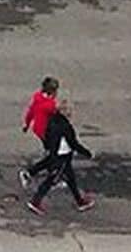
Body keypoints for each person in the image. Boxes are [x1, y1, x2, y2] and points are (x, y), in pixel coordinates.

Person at [23, 79, 93, 212]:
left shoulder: (53, 121)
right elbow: (73, 143)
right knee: (52, 179)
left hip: (60, 154)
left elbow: (32, 112)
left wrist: (27, 124)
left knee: (70, 178)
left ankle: (80, 201)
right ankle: (35, 201)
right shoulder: (65, 126)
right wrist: (87, 153)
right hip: (62, 156)